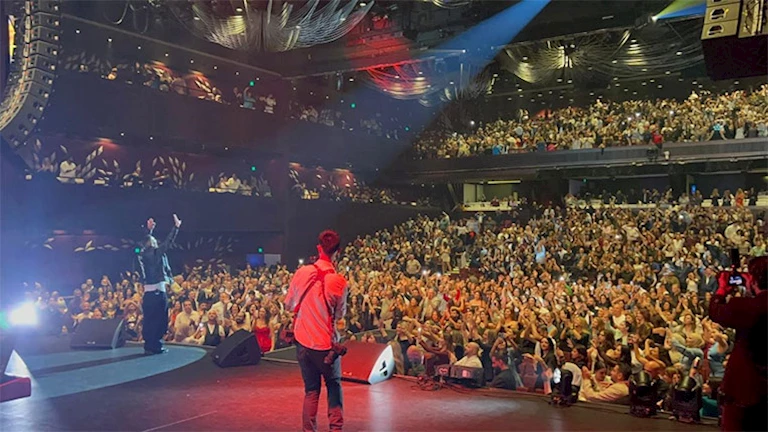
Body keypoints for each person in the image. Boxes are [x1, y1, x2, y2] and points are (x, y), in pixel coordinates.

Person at [285, 230, 348, 432]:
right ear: (338, 252)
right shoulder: (339, 281)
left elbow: (288, 305)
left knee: (311, 391)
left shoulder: (302, 272)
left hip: (303, 343)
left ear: (318, 248)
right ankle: (335, 429)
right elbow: (340, 314)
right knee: (334, 386)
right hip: (326, 347)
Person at [709, 256, 768, 431]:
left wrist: (722, 289)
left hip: (746, 389)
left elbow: (715, 311)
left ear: (754, 280)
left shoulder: (748, 306)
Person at [137, 214, 181, 354]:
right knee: (160, 320)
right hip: (158, 292)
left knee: (149, 320)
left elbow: (144, 240)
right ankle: (156, 345)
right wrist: (176, 227)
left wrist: (149, 231)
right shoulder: (156, 253)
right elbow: (168, 242)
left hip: (148, 293)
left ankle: (149, 346)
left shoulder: (143, 255)